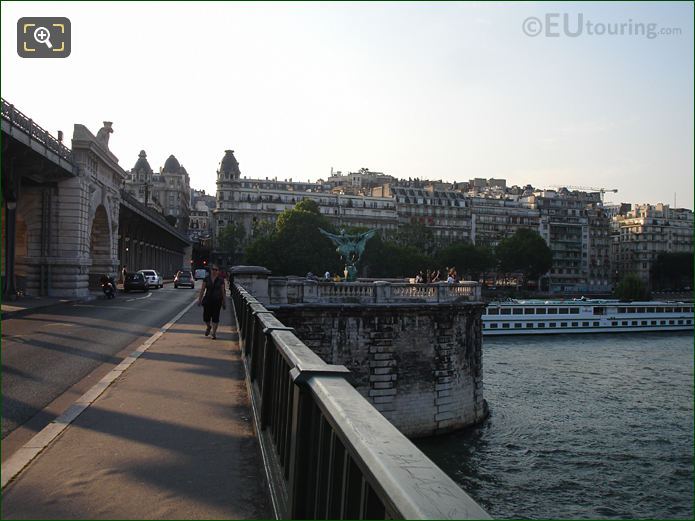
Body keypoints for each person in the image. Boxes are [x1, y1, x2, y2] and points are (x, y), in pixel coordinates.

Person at [197, 264, 226, 339]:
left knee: (215, 317)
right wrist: (199, 300)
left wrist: (224, 302)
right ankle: (208, 326)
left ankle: (214, 333)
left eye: (216, 270)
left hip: (217, 301)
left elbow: (223, 291)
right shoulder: (206, 279)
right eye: (213, 269)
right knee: (206, 317)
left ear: (218, 271)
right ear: (211, 270)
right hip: (207, 300)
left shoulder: (221, 280)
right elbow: (202, 290)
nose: (214, 271)